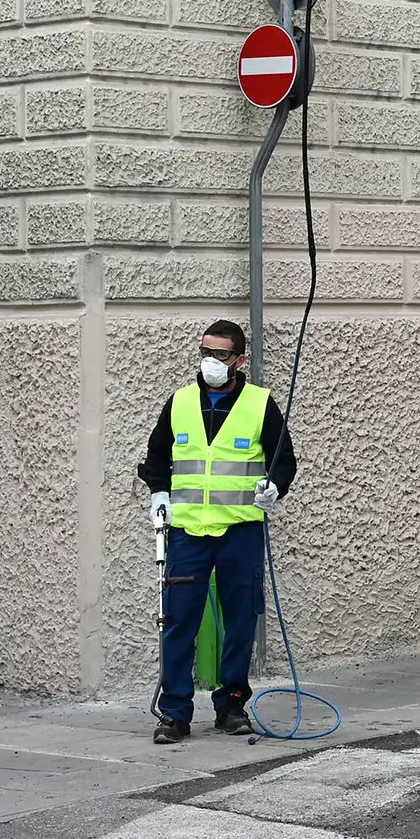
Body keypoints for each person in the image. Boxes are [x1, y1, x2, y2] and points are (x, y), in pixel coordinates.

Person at [138, 319, 297, 744]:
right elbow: (156, 457)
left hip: (239, 531)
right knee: (178, 621)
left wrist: (274, 487)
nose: (211, 361)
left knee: (240, 621)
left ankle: (231, 706)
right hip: (188, 532)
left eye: (221, 354)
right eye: (206, 352)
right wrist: (158, 493)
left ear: (240, 359)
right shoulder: (181, 402)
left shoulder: (261, 405)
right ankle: (174, 713)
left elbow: (285, 460)